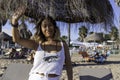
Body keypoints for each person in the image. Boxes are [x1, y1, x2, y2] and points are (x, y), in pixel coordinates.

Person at [11, 6, 73, 80]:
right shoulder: (37, 44)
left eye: (50, 25)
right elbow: (17, 39)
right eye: (44, 26)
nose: (47, 28)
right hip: (36, 77)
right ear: (41, 29)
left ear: (54, 27)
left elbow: (68, 65)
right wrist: (14, 22)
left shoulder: (63, 45)